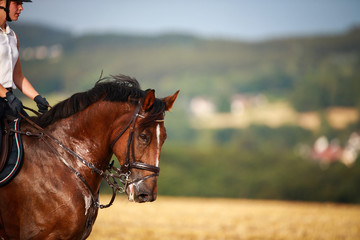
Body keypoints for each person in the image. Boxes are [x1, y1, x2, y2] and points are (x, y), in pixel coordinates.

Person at [1, 0, 49, 151]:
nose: (21, 8)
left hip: (8, 101)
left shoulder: (12, 36)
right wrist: (7, 96)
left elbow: (18, 75)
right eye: (17, 3)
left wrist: (37, 97)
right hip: (7, 98)